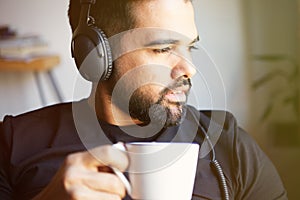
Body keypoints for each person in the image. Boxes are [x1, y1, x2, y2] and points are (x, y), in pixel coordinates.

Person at [0, 0, 288, 199]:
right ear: (97, 55)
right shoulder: (14, 142)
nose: (189, 68)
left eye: (190, 47)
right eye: (163, 49)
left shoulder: (228, 144)